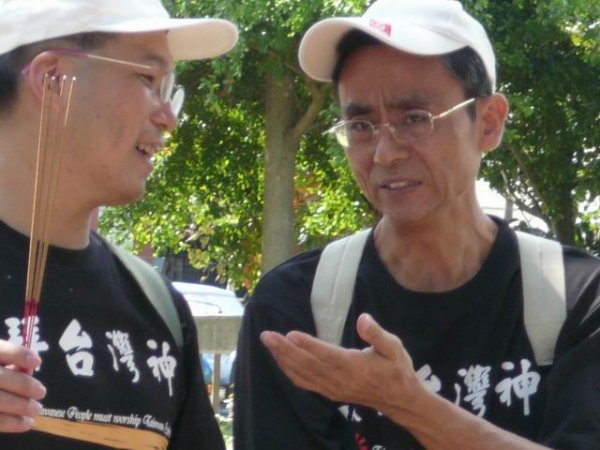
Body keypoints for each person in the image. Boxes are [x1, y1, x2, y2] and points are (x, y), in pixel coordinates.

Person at [233, 0, 600, 449]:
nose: (385, 153)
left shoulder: (577, 299)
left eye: (414, 119)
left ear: (488, 123)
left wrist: (408, 404)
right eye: (361, 125)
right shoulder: (295, 309)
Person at [0, 0, 238, 449]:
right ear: (51, 78)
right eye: (148, 80)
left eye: (170, 90)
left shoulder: (158, 307)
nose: (168, 118)